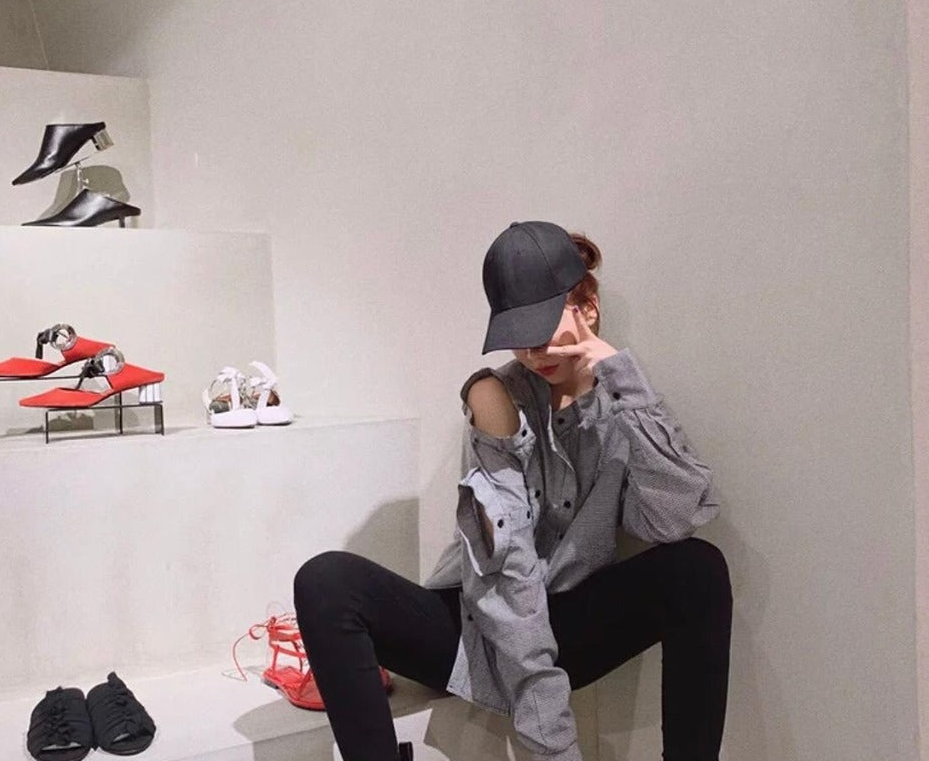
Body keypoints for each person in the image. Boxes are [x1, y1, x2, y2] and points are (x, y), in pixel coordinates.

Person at [294, 220, 732, 761]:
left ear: (587, 306)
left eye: (543, 328)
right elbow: (508, 576)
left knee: (698, 569)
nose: (532, 350)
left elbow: (675, 517)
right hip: (477, 622)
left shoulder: (622, 404)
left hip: (568, 620)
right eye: (517, 335)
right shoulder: (495, 397)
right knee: (326, 581)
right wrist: (554, 743)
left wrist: (626, 383)